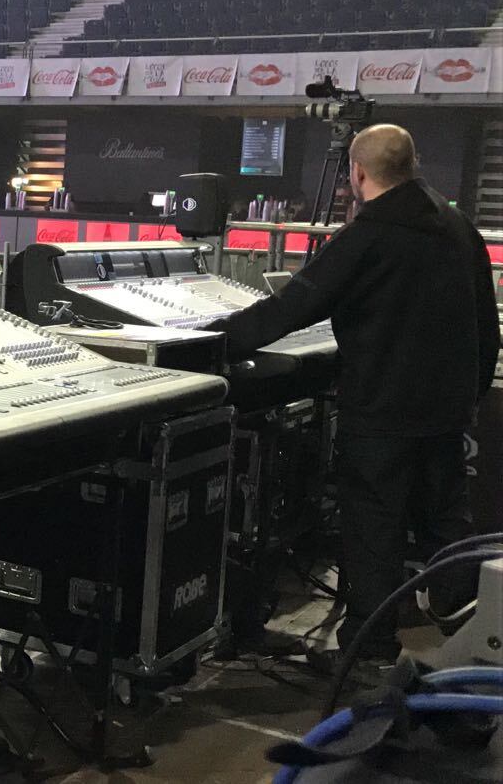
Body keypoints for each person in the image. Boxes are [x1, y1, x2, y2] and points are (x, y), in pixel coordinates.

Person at [201, 125, 500, 671]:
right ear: (413, 164)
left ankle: (368, 650)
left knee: (373, 528)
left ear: (358, 175)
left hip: (384, 412)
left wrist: (215, 340)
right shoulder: (460, 227)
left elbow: (293, 309)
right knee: (447, 526)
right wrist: (467, 399)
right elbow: (488, 324)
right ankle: (474, 645)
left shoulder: (370, 234)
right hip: (446, 412)